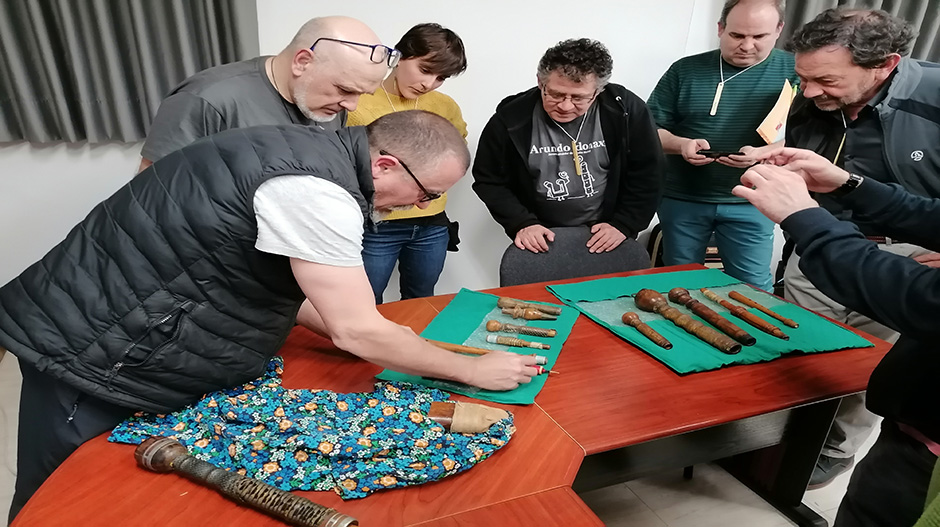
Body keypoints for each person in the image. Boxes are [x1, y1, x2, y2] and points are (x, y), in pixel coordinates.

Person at [0, 111, 538, 523]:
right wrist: (468, 369)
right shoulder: (317, 192)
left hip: (122, 325)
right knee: (60, 501)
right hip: (95, 349)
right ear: (385, 164)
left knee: (120, 495)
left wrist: (353, 325)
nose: (417, 205)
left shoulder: (303, 152)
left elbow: (268, 280)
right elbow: (356, 328)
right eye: (426, 193)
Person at [732, 146, 940, 527]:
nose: (807, 93)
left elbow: (920, 298)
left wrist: (804, 216)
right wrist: (847, 184)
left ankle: (822, 452)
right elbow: (930, 215)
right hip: (910, 434)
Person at [783, 8, 940, 488]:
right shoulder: (811, 96)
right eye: (802, 79)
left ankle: (835, 450)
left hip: (907, 260)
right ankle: (784, 440)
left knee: (868, 366)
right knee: (798, 353)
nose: (808, 92)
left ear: (885, 64)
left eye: (825, 80)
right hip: (816, 247)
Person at [646, 0, 797, 291]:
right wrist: (682, 145)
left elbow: (816, 137)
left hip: (753, 198)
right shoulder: (684, 70)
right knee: (680, 282)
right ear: (720, 29)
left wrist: (763, 153)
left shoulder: (795, 71)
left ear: (778, 30)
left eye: (759, 37)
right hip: (683, 197)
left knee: (754, 286)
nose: (747, 46)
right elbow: (649, 131)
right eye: (737, 36)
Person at [472, 38, 663, 258]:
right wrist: (521, 223)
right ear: (539, 82)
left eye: (579, 98)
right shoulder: (511, 117)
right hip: (541, 234)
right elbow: (489, 179)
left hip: (607, 232)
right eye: (555, 94)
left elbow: (649, 171)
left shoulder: (625, 110)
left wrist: (625, 223)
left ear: (599, 90)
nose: (565, 106)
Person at [137, 15, 392, 172]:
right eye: (345, 89)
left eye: (362, 94)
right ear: (302, 61)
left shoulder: (330, 105)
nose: (352, 106)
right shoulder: (207, 99)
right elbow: (154, 195)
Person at [347, 23, 468, 304]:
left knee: (422, 300)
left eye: (441, 78)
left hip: (432, 223)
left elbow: (455, 159)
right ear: (399, 56)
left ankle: (420, 346)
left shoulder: (445, 106)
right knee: (365, 300)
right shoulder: (358, 100)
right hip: (377, 223)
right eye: (425, 70)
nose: (429, 84)